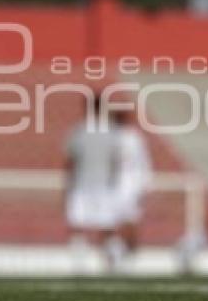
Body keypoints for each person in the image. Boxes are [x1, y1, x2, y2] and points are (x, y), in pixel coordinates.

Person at [64, 95, 121, 269]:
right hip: (104, 186)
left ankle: (79, 263)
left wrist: (67, 186)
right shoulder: (111, 132)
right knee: (107, 227)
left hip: (82, 186)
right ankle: (112, 263)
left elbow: (70, 163)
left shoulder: (79, 131)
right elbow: (116, 162)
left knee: (78, 226)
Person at [111, 105, 153, 255]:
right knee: (120, 218)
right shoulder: (115, 137)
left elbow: (143, 161)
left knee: (129, 218)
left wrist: (145, 183)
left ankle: (131, 249)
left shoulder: (133, 138)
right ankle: (118, 250)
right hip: (120, 183)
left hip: (128, 183)